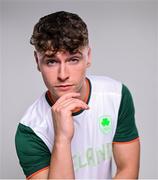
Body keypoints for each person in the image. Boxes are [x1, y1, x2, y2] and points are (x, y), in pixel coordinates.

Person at [15, 11, 140, 179]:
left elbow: (127, 169)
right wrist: (62, 138)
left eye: (73, 59)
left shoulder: (116, 95)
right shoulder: (31, 130)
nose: (63, 74)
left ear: (88, 57)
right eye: (51, 61)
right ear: (38, 62)